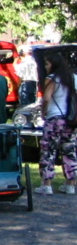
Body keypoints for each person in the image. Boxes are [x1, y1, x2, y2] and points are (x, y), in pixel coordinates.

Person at [35, 50, 76, 195]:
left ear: (53, 65)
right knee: (69, 150)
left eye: (47, 64)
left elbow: (46, 98)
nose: (45, 66)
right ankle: (70, 184)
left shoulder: (52, 78)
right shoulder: (72, 78)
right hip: (70, 120)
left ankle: (46, 184)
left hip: (54, 118)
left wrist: (43, 112)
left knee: (48, 150)